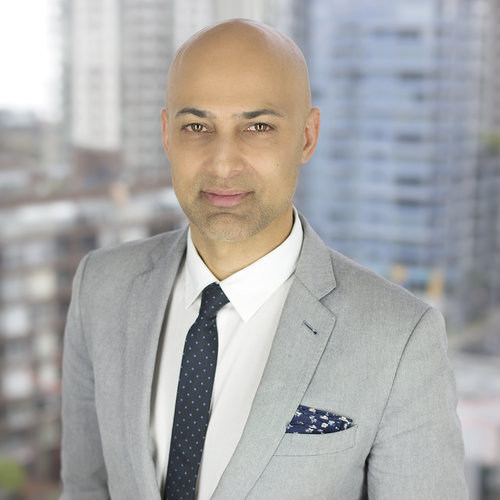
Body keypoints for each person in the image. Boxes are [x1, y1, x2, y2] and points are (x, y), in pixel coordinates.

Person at [60, 19, 467, 500]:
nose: (223, 163)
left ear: (307, 137)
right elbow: (85, 487)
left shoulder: (401, 337)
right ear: (168, 135)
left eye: (258, 127)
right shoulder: (100, 286)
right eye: (197, 126)